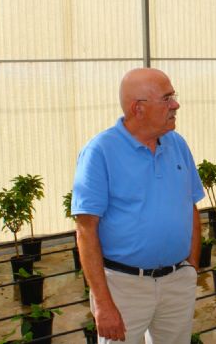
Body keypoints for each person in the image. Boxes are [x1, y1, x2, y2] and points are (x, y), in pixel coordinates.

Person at [72, 68, 204, 344]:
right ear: (138, 108)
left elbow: (190, 206)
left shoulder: (177, 144)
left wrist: (191, 267)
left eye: (174, 97)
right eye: (167, 98)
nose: (176, 105)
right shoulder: (100, 152)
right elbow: (86, 231)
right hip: (123, 288)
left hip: (176, 281)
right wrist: (103, 304)